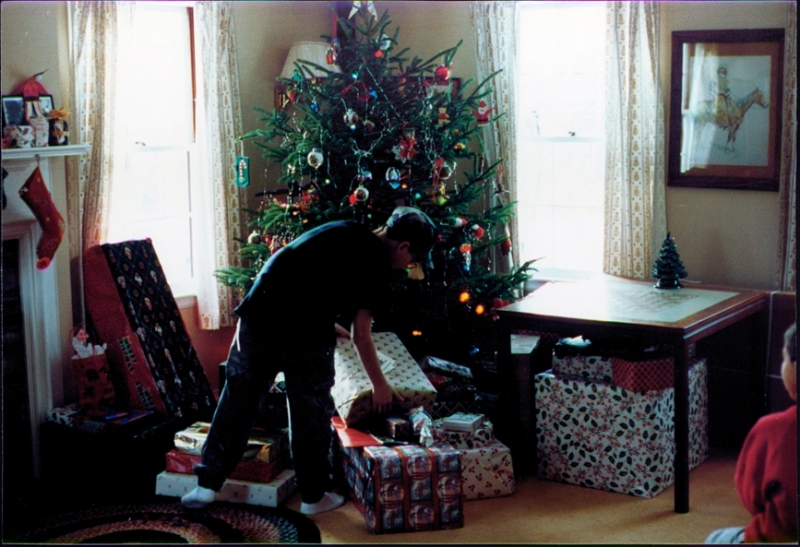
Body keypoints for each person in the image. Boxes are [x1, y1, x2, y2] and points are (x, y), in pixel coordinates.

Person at [181, 206, 437, 515]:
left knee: (238, 399)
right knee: (310, 408)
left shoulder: (344, 229)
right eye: (414, 259)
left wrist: (325, 322)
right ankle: (313, 497)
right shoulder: (379, 269)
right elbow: (362, 337)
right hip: (304, 332)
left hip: (260, 312)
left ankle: (206, 486)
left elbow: (298, 276)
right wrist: (379, 385)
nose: (410, 266)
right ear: (403, 246)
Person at [705, 323, 797, 544]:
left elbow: (751, 495)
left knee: (717, 538)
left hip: (779, 537)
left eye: (784, 359)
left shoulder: (774, 429)